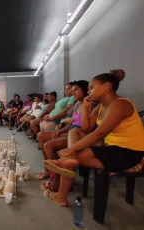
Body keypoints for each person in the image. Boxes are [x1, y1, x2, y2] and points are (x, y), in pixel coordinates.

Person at [43, 70, 144, 207]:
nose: (88, 91)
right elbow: (85, 127)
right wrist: (86, 106)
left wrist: (70, 149)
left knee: (73, 157)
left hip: (128, 152)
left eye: (91, 87)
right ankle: (69, 160)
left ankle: (62, 190)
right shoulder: (100, 107)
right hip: (109, 146)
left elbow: (99, 134)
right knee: (75, 132)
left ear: (106, 87)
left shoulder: (120, 104)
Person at [36, 80, 89, 190]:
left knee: (48, 145)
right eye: (72, 90)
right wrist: (61, 130)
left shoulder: (88, 105)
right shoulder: (77, 104)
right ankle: (48, 170)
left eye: (76, 90)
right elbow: (73, 123)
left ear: (85, 90)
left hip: (78, 137)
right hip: (70, 132)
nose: (73, 93)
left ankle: (56, 181)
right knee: (40, 135)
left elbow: (84, 127)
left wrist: (63, 127)